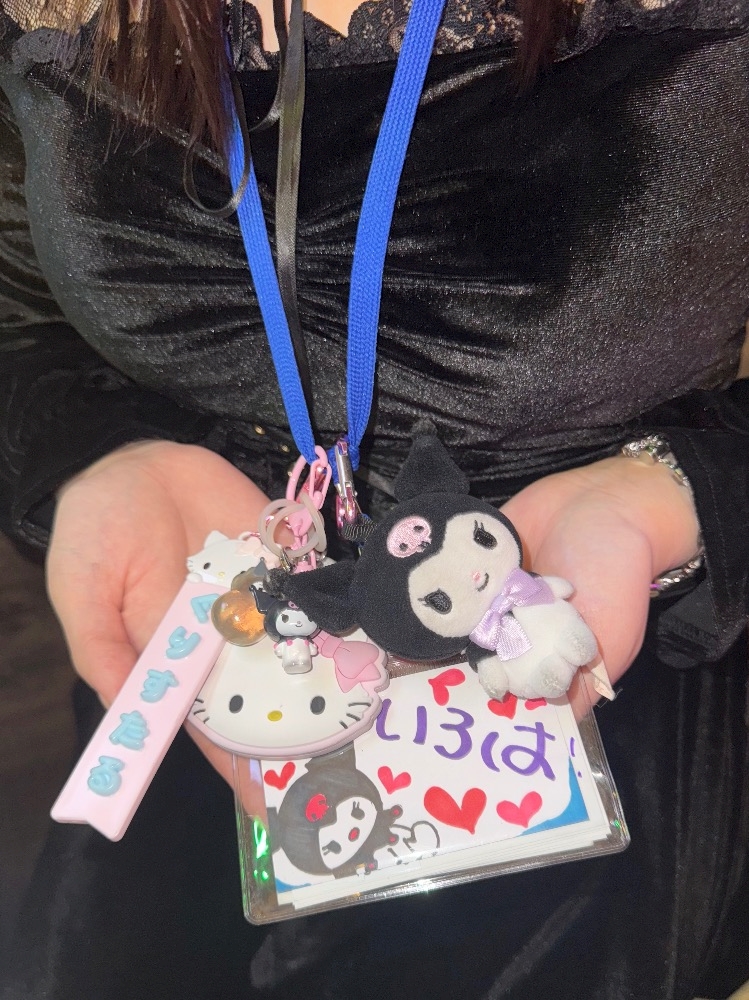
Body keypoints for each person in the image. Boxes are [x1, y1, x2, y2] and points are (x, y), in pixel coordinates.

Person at [1, 0, 748, 997]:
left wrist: (669, 493)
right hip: (220, 640)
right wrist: (101, 453)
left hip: (580, 653)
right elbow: (24, 310)